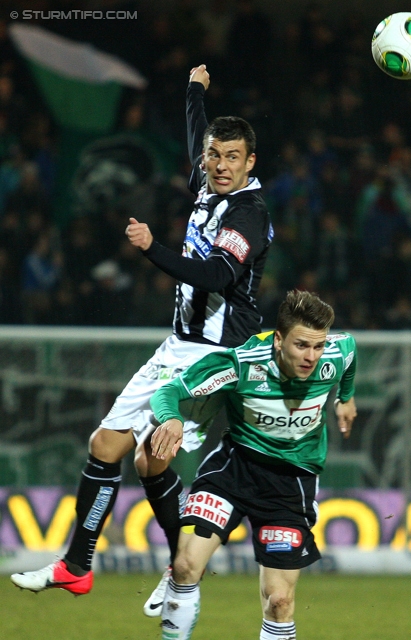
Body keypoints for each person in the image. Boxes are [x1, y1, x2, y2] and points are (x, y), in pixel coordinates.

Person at [11, 64, 273, 617]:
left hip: (217, 354)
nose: (219, 165)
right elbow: (194, 134)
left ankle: (183, 572)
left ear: (251, 162)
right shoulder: (205, 179)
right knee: (107, 448)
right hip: (178, 343)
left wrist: (153, 247)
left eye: (232, 157)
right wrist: (194, 91)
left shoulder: (249, 214)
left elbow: (218, 277)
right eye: (213, 155)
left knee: (152, 462)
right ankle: (77, 567)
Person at [149, 289, 357, 640]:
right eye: (301, 346)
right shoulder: (241, 364)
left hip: (291, 484)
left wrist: (346, 399)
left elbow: (350, 355)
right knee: (185, 566)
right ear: (278, 339)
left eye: (317, 347)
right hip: (235, 469)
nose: (311, 357)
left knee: (279, 601)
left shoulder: (334, 355)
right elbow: (167, 392)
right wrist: (171, 419)